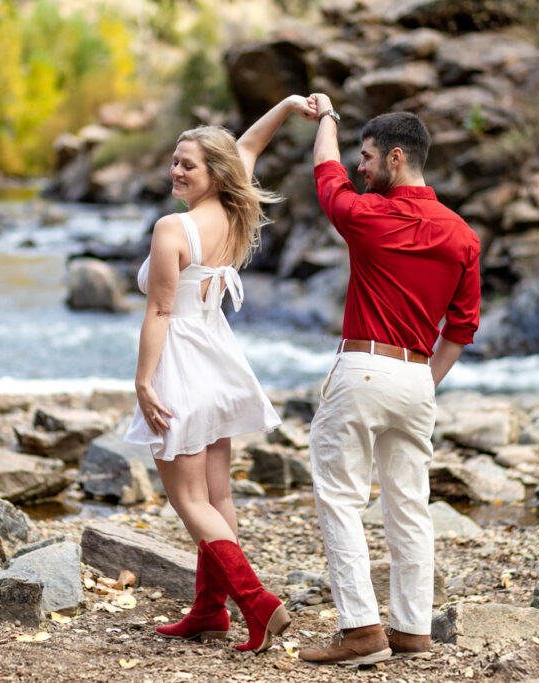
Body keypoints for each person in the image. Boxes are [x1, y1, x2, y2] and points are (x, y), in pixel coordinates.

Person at [124, 95, 317, 653]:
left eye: (189, 164)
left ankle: (257, 603)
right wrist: (285, 106)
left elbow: (159, 311)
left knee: (189, 501)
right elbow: (250, 146)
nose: (177, 170)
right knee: (216, 493)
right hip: (219, 356)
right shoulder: (235, 211)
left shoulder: (172, 227)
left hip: (180, 360)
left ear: (214, 173)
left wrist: (143, 383)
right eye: (175, 161)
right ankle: (210, 610)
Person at [298, 95, 481, 665]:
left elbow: (323, 170)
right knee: (409, 505)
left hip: (362, 367)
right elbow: (464, 324)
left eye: (369, 156)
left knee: (340, 497)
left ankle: (360, 631)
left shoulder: (365, 215)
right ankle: (411, 630)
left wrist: (326, 116)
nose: (360, 166)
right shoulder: (462, 236)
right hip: (416, 377)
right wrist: (428, 379)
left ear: (396, 158)